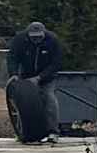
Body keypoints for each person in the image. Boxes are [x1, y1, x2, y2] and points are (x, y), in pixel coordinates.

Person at [6, 16, 64, 145]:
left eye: (39, 37)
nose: (36, 40)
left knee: (49, 98)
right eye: (33, 37)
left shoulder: (53, 41)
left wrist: (40, 78)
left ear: (44, 33)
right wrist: (14, 74)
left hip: (47, 77)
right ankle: (24, 131)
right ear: (28, 34)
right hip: (25, 76)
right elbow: (12, 57)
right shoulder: (19, 40)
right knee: (22, 103)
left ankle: (53, 132)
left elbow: (56, 63)